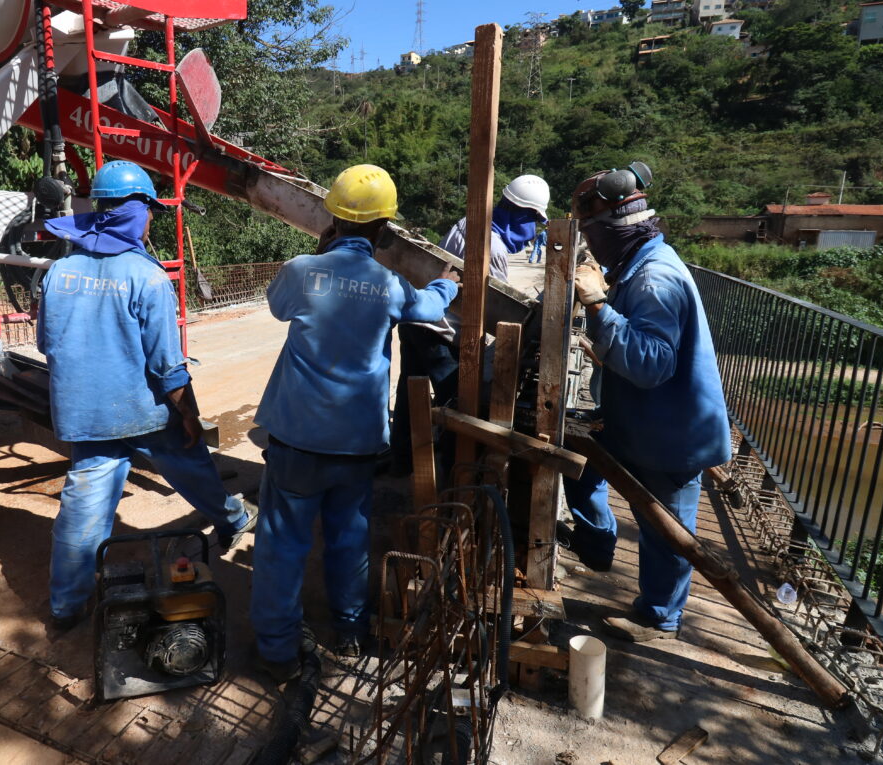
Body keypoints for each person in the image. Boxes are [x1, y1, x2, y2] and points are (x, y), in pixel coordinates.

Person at [251, 164, 460, 681]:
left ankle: (277, 650)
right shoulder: (387, 284)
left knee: (282, 543)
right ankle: (348, 631)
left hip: (296, 438)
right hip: (357, 442)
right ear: (384, 230)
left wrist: (321, 256)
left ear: (332, 221)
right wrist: (448, 285)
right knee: (350, 537)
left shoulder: (301, 270)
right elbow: (427, 307)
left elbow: (280, 308)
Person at [37, 160, 256, 630]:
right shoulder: (148, 276)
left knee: (83, 513)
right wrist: (190, 415)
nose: (152, 218)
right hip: (143, 410)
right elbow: (166, 365)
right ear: (135, 211)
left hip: (87, 415)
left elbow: (46, 344)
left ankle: (65, 607)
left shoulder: (61, 272)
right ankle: (234, 520)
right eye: (149, 210)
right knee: (191, 461)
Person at [562, 162, 731, 642]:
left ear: (610, 229)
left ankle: (660, 618)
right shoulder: (641, 264)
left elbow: (652, 363)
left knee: (667, 532)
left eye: (590, 233)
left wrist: (597, 306)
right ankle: (598, 547)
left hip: (672, 434)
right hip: (640, 423)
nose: (589, 245)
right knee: (581, 468)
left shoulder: (655, 278)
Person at [388, 174, 550, 473]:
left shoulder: (468, 223)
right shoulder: (493, 247)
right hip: (442, 333)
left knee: (412, 394)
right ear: (518, 213)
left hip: (419, 323)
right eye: (533, 222)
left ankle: (401, 461)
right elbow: (495, 309)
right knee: (459, 408)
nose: (531, 234)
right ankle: (455, 477)